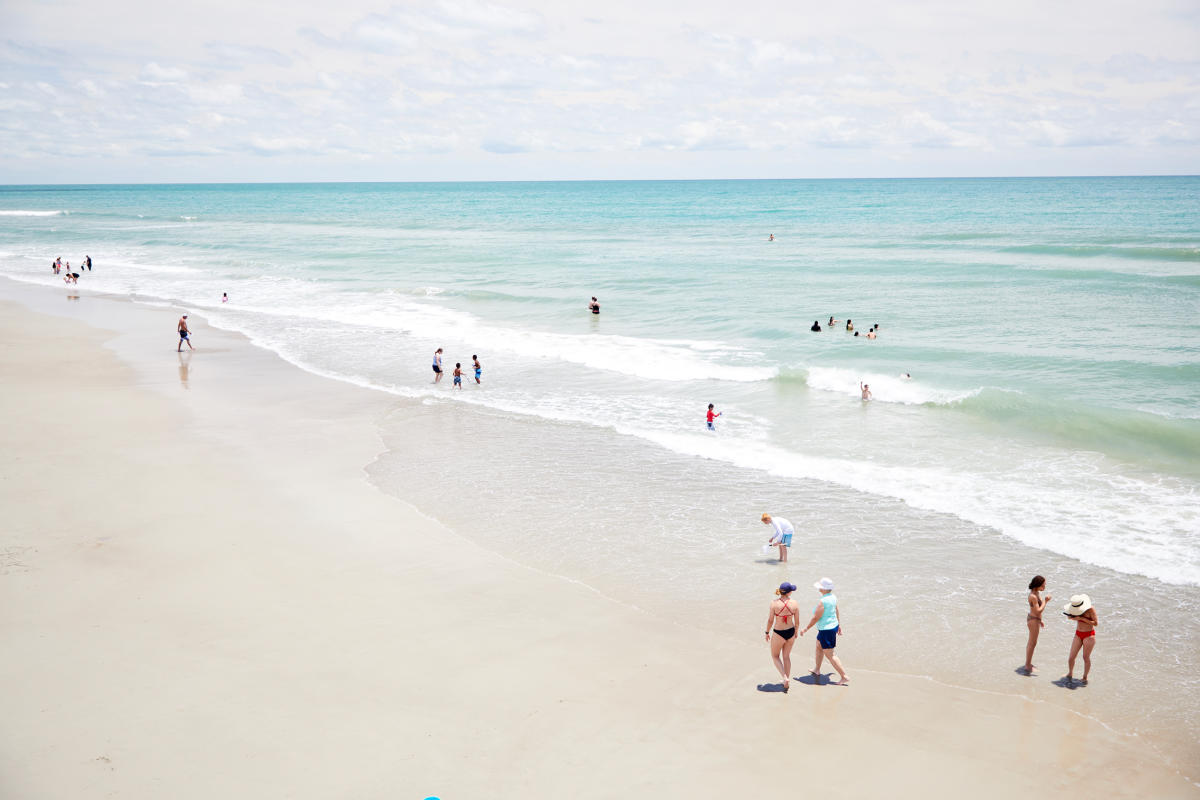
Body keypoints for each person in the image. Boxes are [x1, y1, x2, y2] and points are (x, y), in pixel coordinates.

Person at [800, 577, 848, 685]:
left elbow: (815, 618)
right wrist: (839, 624)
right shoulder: (833, 597)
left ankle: (844, 676)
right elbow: (836, 610)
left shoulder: (823, 601)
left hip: (827, 630)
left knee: (830, 654)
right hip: (830, 627)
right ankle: (817, 669)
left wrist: (805, 629)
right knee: (818, 646)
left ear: (823, 589)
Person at [765, 582, 799, 692]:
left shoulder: (774, 603)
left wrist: (767, 632)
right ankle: (786, 681)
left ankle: (785, 677)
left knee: (775, 656)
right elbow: (797, 622)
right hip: (791, 631)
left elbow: (770, 620)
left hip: (779, 632)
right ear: (789, 592)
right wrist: (796, 632)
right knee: (786, 656)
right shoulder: (794, 603)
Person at [1064, 594, 1098, 686]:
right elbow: (1069, 617)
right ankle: (1070, 673)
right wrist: (1072, 617)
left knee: (1085, 657)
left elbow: (1095, 623)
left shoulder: (1091, 609)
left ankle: (1085, 677)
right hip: (1078, 634)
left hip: (1089, 635)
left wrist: (1081, 618)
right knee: (1071, 657)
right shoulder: (1074, 608)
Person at [1022, 576, 1052, 675]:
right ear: (1038, 584)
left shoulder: (1037, 593)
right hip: (1033, 620)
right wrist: (1045, 601)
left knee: (1032, 642)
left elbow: (1037, 610)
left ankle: (1028, 663)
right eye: (1044, 584)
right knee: (1032, 643)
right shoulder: (1033, 596)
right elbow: (1038, 610)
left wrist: (1041, 620)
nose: (1045, 586)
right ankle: (1027, 665)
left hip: (1036, 620)